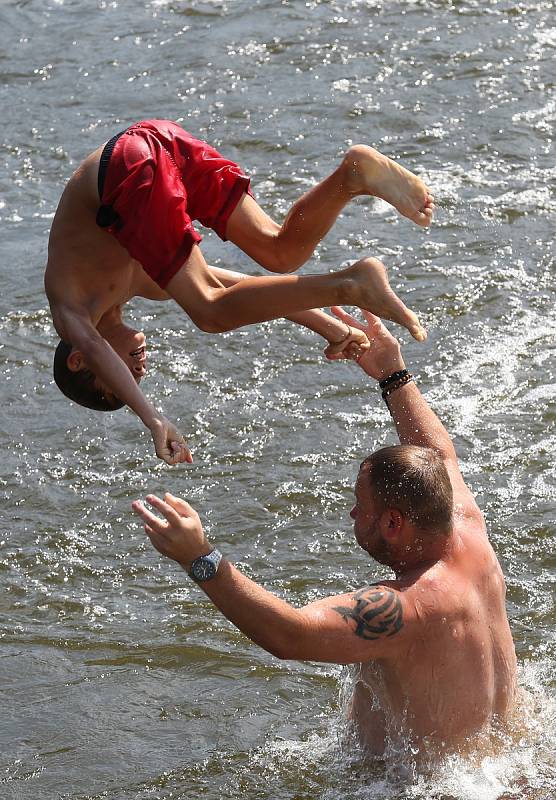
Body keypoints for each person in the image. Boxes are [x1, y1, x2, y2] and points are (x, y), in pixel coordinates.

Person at [131, 306, 517, 759]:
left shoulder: (409, 607)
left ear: (394, 523)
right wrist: (392, 372)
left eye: (362, 506)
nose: (352, 513)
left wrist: (199, 558)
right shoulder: (466, 529)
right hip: (504, 765)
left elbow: (291, 636)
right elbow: (439, 454)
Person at [45, 119, 434, 465]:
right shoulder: (139, 284)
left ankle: (353, 284)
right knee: (280, 252)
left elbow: (98, 348)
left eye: (120, 379)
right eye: (135, 380)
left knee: (209, 312)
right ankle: (352, 175)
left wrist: (153, 419)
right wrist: (328, 327)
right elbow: (239, 285)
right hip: (159, 142)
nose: (138, 371)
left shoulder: (69, 309)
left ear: (78, 361)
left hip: (124, 169)